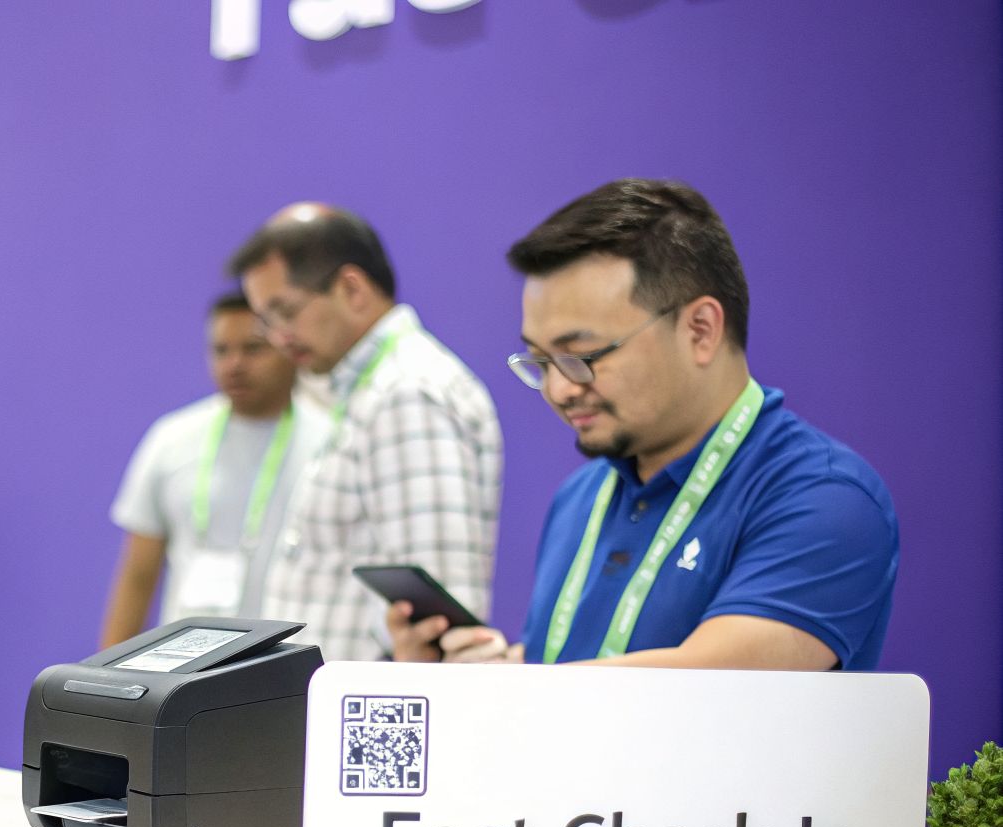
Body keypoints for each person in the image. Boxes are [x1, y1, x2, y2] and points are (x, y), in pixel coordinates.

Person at [389, 178, 897, 669]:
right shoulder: (582, 496)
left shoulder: (824, 496)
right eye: (540, 361)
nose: (559, 390)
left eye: (580, 356)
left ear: (700, 330)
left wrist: (512, 690)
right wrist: (468, 680)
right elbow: (569, 672)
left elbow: (715, 686)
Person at [227, 203, 503, 661]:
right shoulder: (369, 390)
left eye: (285, 312)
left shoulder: (408, 393)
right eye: (266, 322)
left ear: (352, 289)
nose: (277, 337)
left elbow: (437, 619)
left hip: (372, 703)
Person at [101, 293, 325, 647]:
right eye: (221, 350)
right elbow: (138, 575)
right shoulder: (171, 439)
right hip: (186, 664)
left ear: (287, 346)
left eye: (253, 349)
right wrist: (108, 672)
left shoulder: (328, 443)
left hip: (292, 660)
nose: (234, 364)